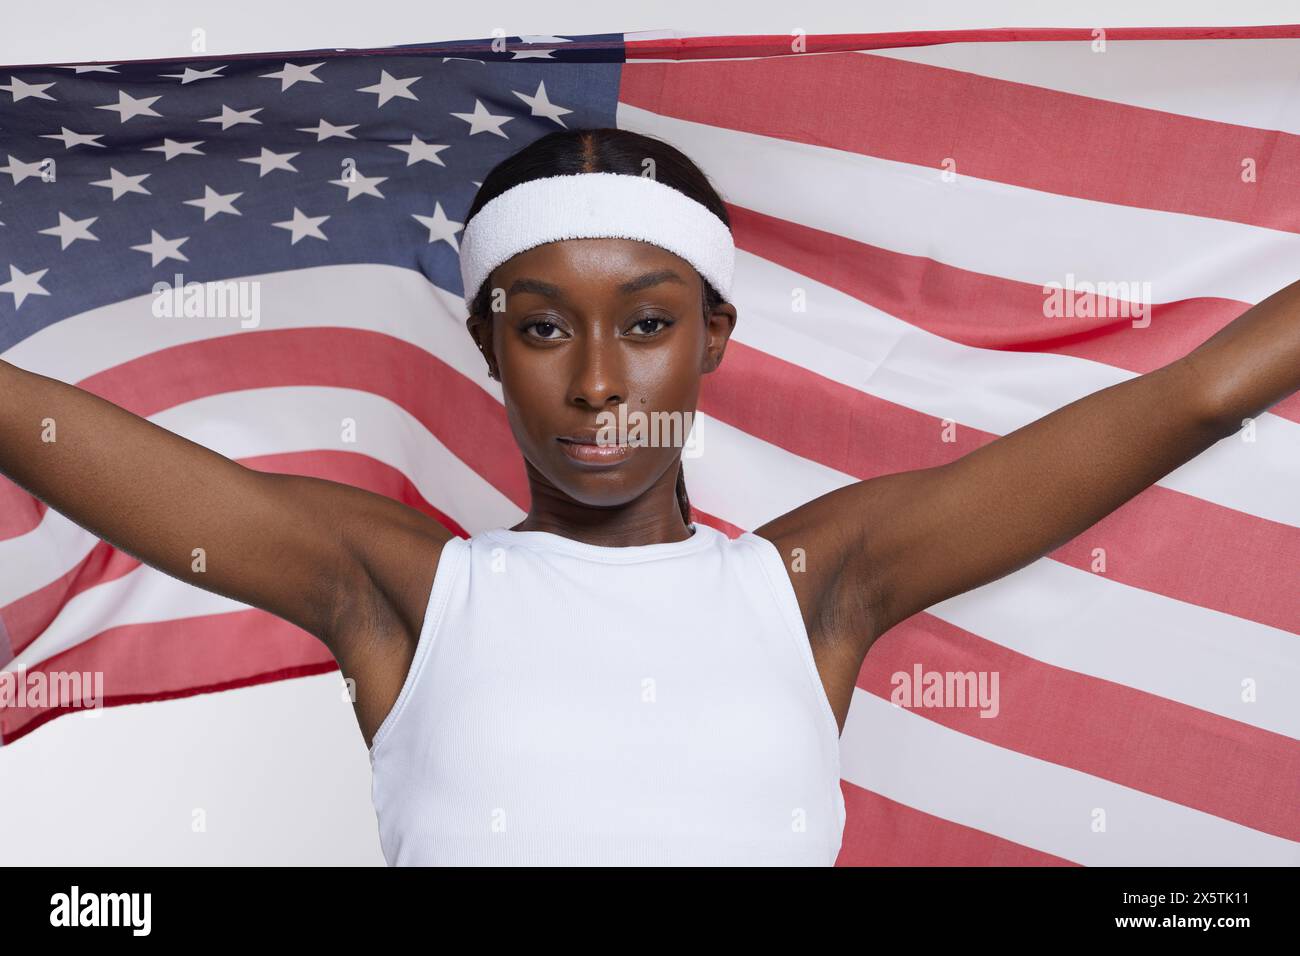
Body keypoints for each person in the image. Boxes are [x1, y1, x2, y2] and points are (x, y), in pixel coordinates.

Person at [1, 126, 1297, 866]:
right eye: (546, 329)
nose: (602, 383)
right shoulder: (403, 588)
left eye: (650, 323)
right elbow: (45, 428)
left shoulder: (813, 582)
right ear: (487, 346)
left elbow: (1189, 397)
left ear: (714, 338)